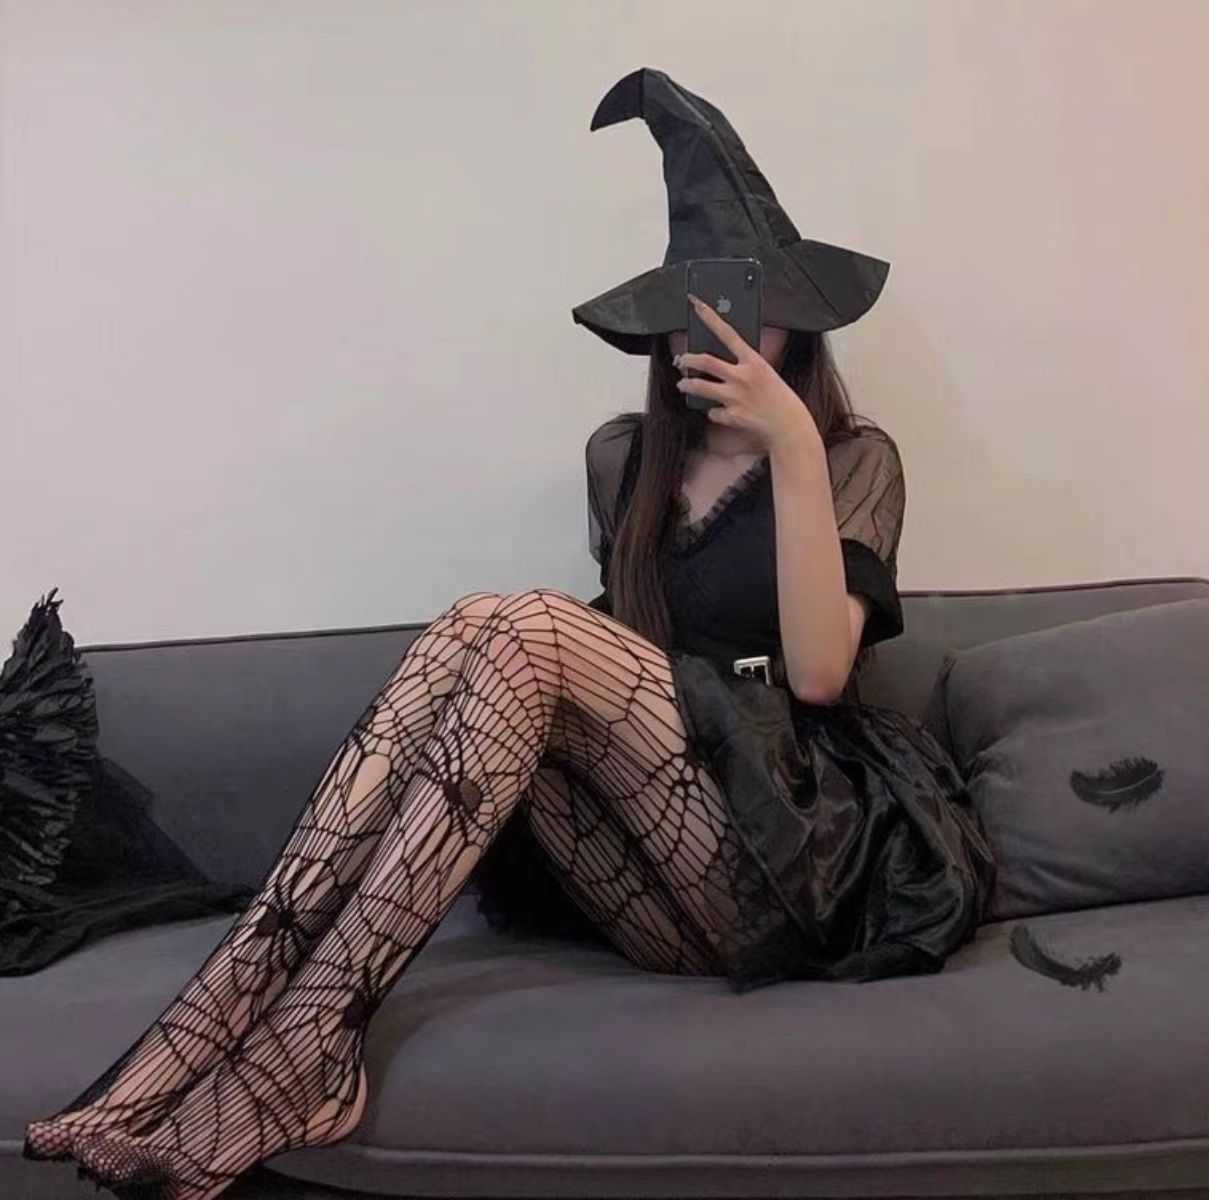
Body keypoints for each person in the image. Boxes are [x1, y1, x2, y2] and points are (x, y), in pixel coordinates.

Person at [23, 67, 997, 1200]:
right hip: (652, 874)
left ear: (803, 317)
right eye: (700, 300)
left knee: (517, 623)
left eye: (752, 296)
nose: (728, 325)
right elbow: (634, 682)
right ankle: (218, 1033)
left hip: (791, 862)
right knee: (491, 631)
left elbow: (822, 675)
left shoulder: (852, 460)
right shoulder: (625, 460)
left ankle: (289, 1045)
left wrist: (789, 446)